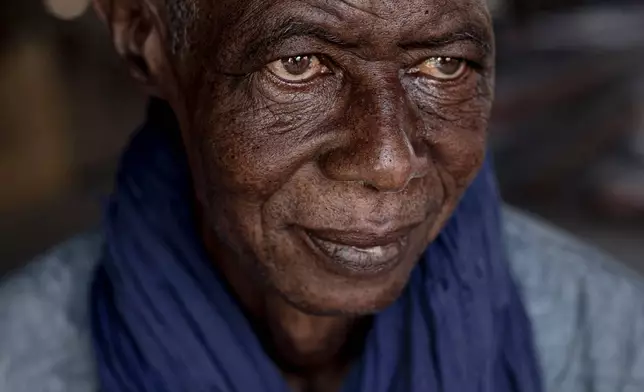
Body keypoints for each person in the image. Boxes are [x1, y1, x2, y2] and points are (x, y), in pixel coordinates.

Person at [0, 0, 643, 391]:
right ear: (145, 37)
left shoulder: (614, 345)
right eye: (299, 64)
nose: (390, 163)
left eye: (443, 65)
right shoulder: (20, 361)